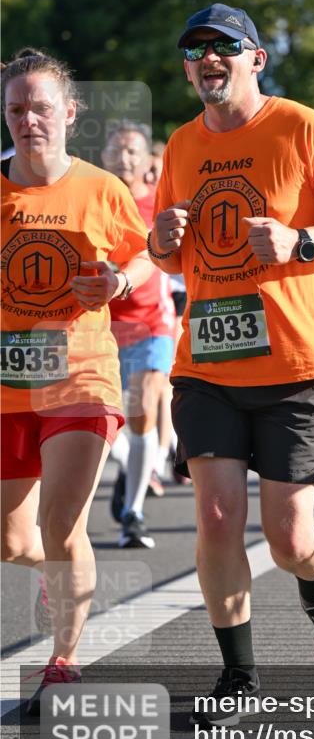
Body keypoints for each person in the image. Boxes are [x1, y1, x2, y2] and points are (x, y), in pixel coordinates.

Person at [147, 3, 314, 719]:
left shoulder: (303, 128)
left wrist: (301, 242)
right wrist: (159, 237)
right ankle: (240, 678)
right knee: (216, 517)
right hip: (207, 365)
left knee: (287, 537)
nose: (206, 58)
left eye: (223, 46)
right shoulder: (181, 146)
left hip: (291, 366)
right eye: (194, 49)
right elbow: (167, 253)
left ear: (257, 58)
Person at [0, 49, 152, 714]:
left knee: (63, 526)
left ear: (68, 111)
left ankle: (62, 662)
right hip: (7, 383)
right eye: (14, 109)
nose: (27, 120)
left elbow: (145, 258)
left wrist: (120, 280)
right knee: (11, 542)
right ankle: (68, 582)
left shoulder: (100, 189)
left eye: (39, 107)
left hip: (82, 377)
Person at [103, 122, 177, 548]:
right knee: (111, 423)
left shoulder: (159, 204)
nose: (125, 158)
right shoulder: (94, 201)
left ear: (149, 160)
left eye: (133, 150)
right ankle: (129, 466)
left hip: (152, 323)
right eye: (117, 150)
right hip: (102, 328)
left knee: (144, 408)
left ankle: (134, 513)